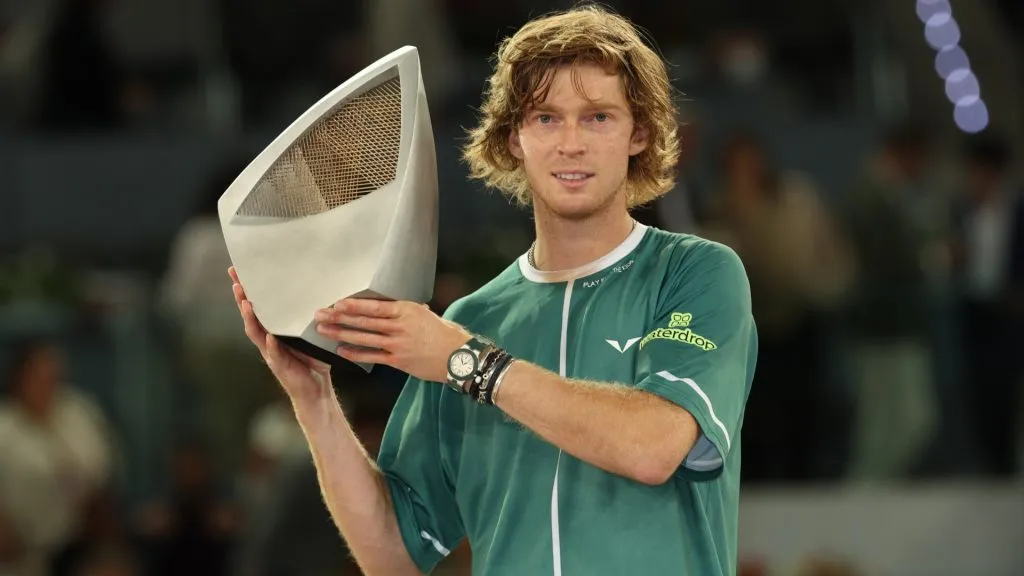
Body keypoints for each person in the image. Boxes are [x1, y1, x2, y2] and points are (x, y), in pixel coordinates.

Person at [229, 5, 757, 575]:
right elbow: (393, 556)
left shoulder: (697, 272)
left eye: (599, 117)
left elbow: (654, 446)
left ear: (641, 134)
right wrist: (314, 401)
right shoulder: (469, 318)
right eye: (546, 119)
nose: (571, 143)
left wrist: (468, 363)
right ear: (513, 139)